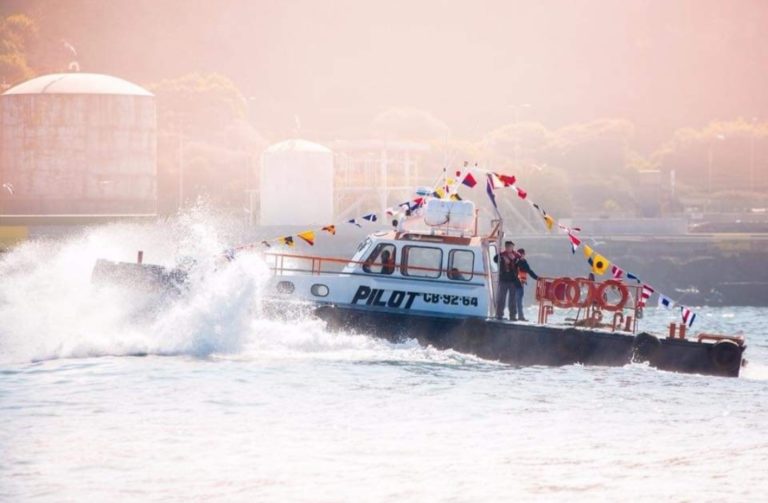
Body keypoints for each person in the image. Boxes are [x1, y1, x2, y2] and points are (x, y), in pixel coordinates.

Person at [493, 241, 520, 320]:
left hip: (513, 280)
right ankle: (499, 314)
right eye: (507, 247)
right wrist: (501, 258)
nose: (509, 248)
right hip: (503, 280)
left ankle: (512, 315)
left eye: (510, 247)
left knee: (513, 299)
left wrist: (514, 260)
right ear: (505, 247)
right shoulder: (501, 255)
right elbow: (495, 259)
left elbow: (521, 264)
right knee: (501, 298)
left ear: (512, 247)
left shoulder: (516, 255)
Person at [514, 248, 539, 321]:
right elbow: (528, 270)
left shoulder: (524, 262)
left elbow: (529, 271)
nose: (522, 255)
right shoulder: (516, 262)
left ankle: (519, 316)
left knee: (518, 301)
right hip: (515, 284)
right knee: (517, 301)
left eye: (522, 254)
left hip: (520, 284)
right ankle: (518, 316)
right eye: (520, 254)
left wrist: (537, 278)